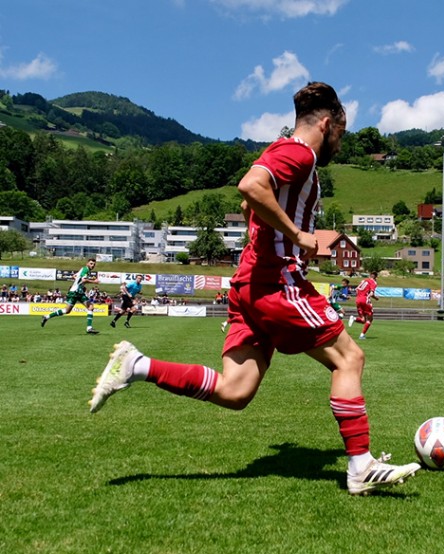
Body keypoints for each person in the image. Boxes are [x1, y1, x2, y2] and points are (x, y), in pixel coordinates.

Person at [89, 82, 419, 496]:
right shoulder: (299, 152)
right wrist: (296, 234)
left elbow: (250, 204)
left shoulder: (280, 148)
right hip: (275, 281)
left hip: (248, 284)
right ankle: (359, 467)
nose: (341, 140)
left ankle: (136, 366)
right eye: (341, 131)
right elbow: (250, 188)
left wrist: (278, 227)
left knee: (236, 390)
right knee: (349, 359)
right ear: (326, 122)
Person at [41, 258, 101, 334]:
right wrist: (94, 282)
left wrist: (79, 281)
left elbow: (74, 276)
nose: (93, 265)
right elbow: (84, 280)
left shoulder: (84, 270)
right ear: (87, 263)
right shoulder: (85, 269)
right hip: (76, 292)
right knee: (74, 309)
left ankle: (47, 317)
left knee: (87, 307)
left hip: (78, 291)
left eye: (94, 264)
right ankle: (89, 328)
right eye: (91, 263)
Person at [353, 272, 379, 340]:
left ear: (370, 275)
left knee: (363, 320)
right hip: (365, 300)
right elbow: (371, 293)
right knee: (370, 318)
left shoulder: (363, 281)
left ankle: (354, 318)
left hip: (358, 300)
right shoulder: (373, 282)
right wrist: (375, 298)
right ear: (376, 277)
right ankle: (362, 335)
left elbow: (356, 290)